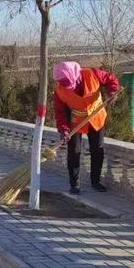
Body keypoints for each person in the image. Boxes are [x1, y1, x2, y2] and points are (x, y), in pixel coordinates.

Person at [52, 61, 120, 195]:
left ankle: (95, 181)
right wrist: (64, 129)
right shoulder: (59, 90)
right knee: (74, 151)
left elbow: (110, 79)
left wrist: (113, 91)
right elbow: (60, 113)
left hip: (96, 116)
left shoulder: (92, 74)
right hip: (76, 121)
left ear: (73, 74)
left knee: (97, 149)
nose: (66, 86)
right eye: (62, 83)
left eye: (67, 82)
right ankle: (74, 184)